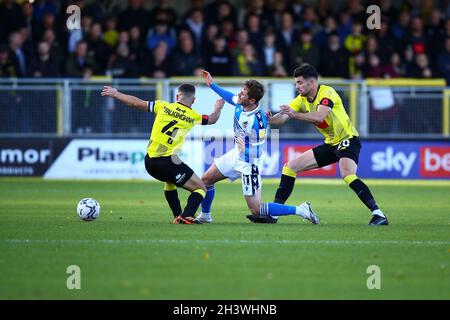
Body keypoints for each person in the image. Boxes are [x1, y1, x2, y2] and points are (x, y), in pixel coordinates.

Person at [257, 63, 388, 226]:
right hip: (331, 144)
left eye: (300, 82)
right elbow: (283, 118)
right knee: (289, 167)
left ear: (312, 82)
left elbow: (319, 117)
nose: (296, 86)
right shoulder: (301, 99)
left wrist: (294, 114)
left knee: (347, 174)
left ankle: (378, 214)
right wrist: (270, 119)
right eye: (296, 82)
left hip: (347, 140)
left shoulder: (327, 93)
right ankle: (275, 214)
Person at [196, 70, 319, 225]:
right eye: (241, 92)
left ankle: (301, 210)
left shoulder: (258, 121)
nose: (239, 95)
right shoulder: (241, 102)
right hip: (235, 155)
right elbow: (229, 96)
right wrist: (212, 84)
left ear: (252, 100)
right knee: (206, 179)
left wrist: (244, 150)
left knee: (256, 209)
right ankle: (205, 216)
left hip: (250, 163)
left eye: (242, 94)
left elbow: (257, 151)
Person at [101, 84, 224, 224]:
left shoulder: (162, 106)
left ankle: (177, 216)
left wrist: (116, 93)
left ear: (177, 96)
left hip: (149, 162)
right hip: (167, 162)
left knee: (170, 181)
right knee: (201, 188)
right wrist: (218, 107)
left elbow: (134, 103)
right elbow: (212, 119)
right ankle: (186, 215)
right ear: (194, 100)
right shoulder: (193, 116)